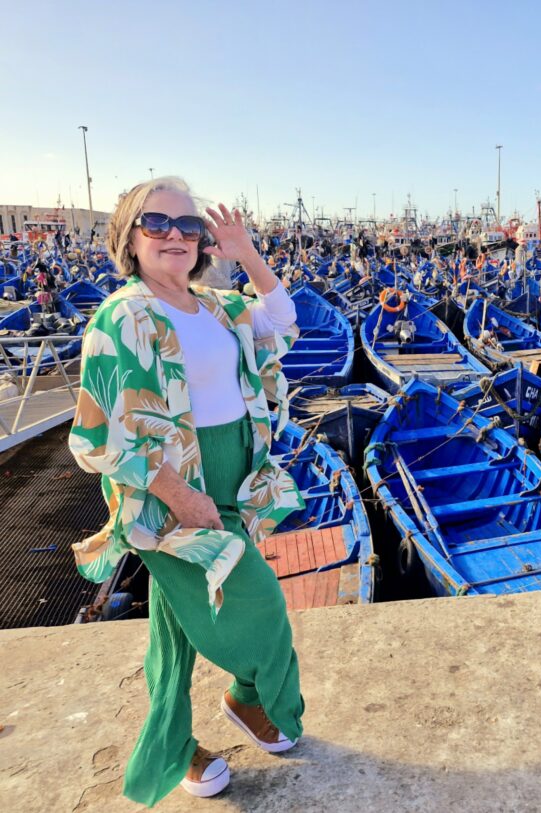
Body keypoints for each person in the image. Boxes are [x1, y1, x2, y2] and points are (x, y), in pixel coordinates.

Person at [68, 177, 304, 805]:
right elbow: (95, 435)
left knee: (172, 630)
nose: (175, 234)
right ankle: (252, 697)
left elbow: (284, 323)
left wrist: (246, 253)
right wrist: (178, 494)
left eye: (188, 225)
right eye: (157, 222)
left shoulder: (217, 305)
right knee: (258, 604)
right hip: (167, 494)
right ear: (129, 237)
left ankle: (177, 746)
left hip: (234, 477)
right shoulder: (121, 318)